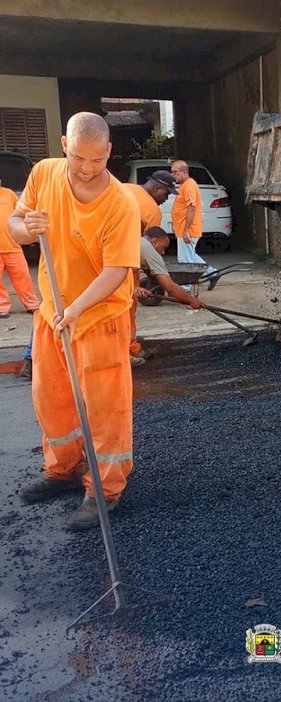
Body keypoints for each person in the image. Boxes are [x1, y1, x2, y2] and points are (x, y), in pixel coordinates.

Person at [8, 112, 141, 531]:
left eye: (96, 161)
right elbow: (15, 225)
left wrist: (77, 308)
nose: (86, 168)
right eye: (78, 158)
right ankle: (62, 470)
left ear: (109, 153)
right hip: (52, 312)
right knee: (52, 400)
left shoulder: (120, 203)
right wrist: (26, 228)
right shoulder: (45, 173)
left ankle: (104, 488)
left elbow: (116, 271)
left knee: (104, 408)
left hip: (98, 315)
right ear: (65, 146)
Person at [129, 226, 204, 363]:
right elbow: (169, 287)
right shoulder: (148, 249)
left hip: (121, 277)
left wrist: (134, 287)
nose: (163, 253)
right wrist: (191, 300)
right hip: (117, 281)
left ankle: (132, 350)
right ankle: (125, 355)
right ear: (154, 241)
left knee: (127, 317)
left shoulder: (139, 242)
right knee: (122, 319)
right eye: (163, 247)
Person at [169, 160, 219, 289]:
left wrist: (186, 230)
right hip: (183, 229)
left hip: (187, 230)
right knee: (190, 256)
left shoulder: (189, 185)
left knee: (185, 259)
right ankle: (211, 272)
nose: (173, 175)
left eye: (175, 172)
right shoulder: (185, 185)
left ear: (184, 172)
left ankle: (186, 287)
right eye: (172, 172)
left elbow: (191, 208)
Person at [0, 178, 39, 317]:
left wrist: (22, 235)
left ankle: (32, 304)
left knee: (23, 276)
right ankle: (2, 307)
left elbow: (21, 215)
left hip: (12, 246)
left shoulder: (9, 194)